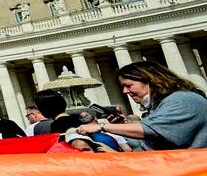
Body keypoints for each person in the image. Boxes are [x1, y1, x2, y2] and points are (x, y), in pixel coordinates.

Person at [77, 60, 207, 149]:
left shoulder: (182, 99)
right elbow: (145, 143)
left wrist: (102, 127)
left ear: (151, 81)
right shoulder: (160, 105)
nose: (125, 91)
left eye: (129, 85)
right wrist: (123, 125)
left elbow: (149, 130)